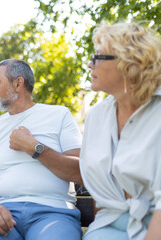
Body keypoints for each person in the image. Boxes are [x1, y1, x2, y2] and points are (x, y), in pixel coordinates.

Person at [0, 59, 83, 240]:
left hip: (53, 213)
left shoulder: (59, 115)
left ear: (18, 83)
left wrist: (35, 149)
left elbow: (80, 172)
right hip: (4, 214)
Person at [79, 22, 161, 240]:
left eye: (97, 57)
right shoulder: (96, 117)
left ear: (128, 63)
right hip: (108, 225)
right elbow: (99, 189)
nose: (89, 64)